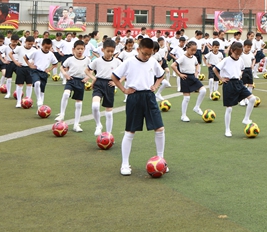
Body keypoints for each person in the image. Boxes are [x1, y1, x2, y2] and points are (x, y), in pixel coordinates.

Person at [111, 38, 166, 175]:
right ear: (138, 50)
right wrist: (124, 90)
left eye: (150, 54)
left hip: (149, 96)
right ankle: (125, 164)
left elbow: (161, 75)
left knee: (160, 128)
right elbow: (114, 76)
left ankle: (161, 160)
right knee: (130, 131)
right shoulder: (129, 62)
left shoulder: (153, 61)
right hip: (134, 97)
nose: (147, 56)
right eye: (145, 53)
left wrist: (156, 85)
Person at [212, 41, 257, 137]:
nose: (238, 55)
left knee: (252, 98)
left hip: (238, 83)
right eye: (236, 53)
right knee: (229, 108)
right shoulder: (226, 60)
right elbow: (215, 69)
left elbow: (242, 69)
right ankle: (227, 130)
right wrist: (221, 79)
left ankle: (246, 118)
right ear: (232, 51)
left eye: (240, 54)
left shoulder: (240, 60)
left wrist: (240, 75)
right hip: (228, 84)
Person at [87, 39, 121, 136]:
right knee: (95, 106)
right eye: (108, 51)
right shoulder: (97, 61)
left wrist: (116, 82)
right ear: (102, 50)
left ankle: (109, 134)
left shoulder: (117, 62)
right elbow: (87, 70)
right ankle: (98, 125)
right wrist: (94, 78)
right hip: (98, 83)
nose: (110, 53)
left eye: (112, 51)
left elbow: (124, 73)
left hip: (109, 85)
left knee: (109, 112)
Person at [57, 40, 90, 132]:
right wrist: (65, 74)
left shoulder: (87, 60)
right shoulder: (70, 59)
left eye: (82, 49)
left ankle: (76, 124)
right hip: (71, 79)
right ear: (73, 49)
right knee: (66, 94)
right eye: (78, 49)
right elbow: (61, 67)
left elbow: (91, 70)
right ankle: (62, 114)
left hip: (81, 81)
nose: (80, 51)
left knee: (79, 103)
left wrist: (87, 77)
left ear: (84, 49)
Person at [172, 41, 207, 122]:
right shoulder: (182, 57)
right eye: (192, 50)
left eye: (195, 50)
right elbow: (173, 65)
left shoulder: (194, 57)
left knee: (203, 91)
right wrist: (179, 74)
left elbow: (197, 64)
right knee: (187, 98)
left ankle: (197, 107)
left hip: (193, 77)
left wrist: (197, 72)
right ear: (187, 48)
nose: (193, 52)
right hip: (185, 78)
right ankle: (183, 115)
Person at [28, 37, 57, 108]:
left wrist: (49, 69)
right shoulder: (36, 52)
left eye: (49, 47)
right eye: (46, 47)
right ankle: (38, 99)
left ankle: (40, 108)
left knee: (42, 90)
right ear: (42, 45)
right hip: (35, 71)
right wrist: (30, 65)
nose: (47, 49)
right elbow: (25, 57)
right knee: (37, 83)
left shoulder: (51, 54)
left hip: (44, 73)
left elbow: (55, 63)